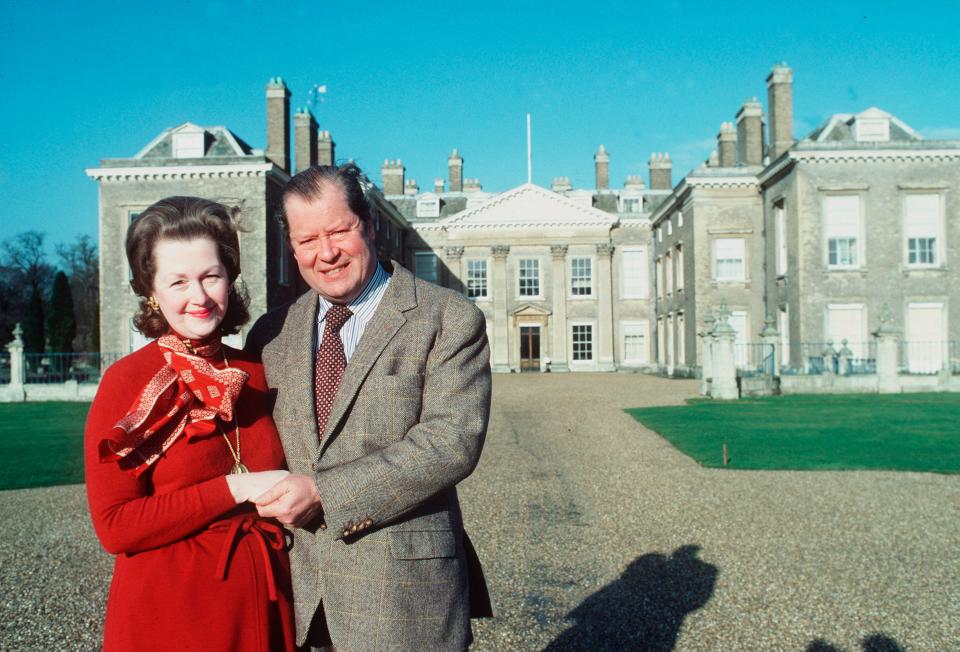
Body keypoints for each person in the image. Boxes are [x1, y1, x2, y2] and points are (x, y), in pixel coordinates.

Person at [246, 163, 493, 650]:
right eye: (307, 240)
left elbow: (450, 443)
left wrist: (322, 493)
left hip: (402, 591)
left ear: (370, 226)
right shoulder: (269, 334)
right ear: (292, 247)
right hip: (298, 591)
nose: (326, 253)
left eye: (339, 230)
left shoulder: (448, 317)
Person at [85, 197, 299, 651]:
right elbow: (115, 526)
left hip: (264, 604)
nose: (198, 297)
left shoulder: (261, 371)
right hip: (171, 615)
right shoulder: (125, 382)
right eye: (177, 281)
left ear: (231, 279)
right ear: (151, 290)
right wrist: (235, 489)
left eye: (211, 277)